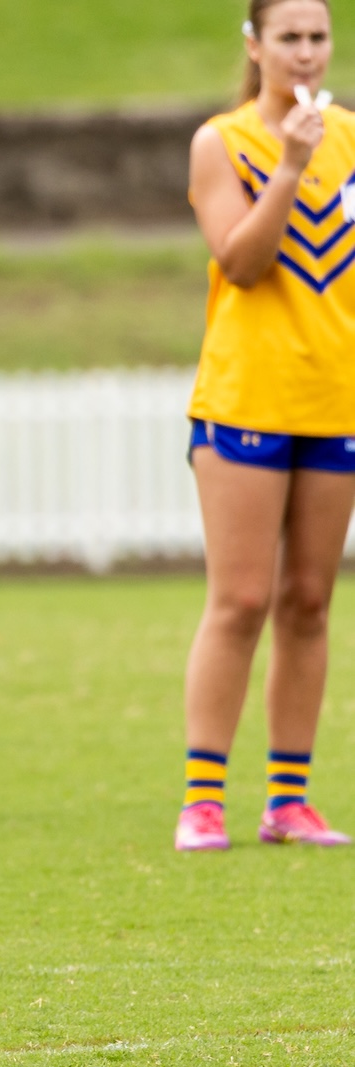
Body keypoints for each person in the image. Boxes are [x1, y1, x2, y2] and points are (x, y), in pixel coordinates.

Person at [176, 0, 355, 852]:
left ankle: (289, 800)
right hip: (246, 397)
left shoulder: (353, 137)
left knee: (310, 601)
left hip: (334, 399)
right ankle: (203, 799)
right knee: (241, 599)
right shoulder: (224, 141)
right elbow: (242, 263)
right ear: (255, 45)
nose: (307, 52)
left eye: (319, 36)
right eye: (289, 37)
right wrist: (290, 166)